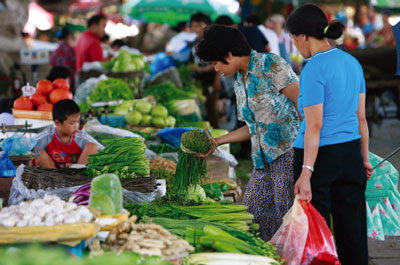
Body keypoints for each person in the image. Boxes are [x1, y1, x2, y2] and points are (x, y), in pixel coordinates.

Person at [286, 4, 373, 265]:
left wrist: (306, 171)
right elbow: (361, 118)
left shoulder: (313, 68)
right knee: (353, 230)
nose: (294, 45)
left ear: (302, 37)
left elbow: (314, 125)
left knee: (317, 233)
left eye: (292, 39)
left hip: (319, 159)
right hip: (350, 154)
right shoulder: (352, 62)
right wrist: (364, 158)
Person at [196, 24, 301, 241]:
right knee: (254, 217)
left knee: (288, 221)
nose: (215, 68)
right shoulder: (238, 81)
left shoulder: (271, 64)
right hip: (261, 162)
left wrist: (310, 159)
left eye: (216, 62)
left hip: (288, 157)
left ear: (229, 54)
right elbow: (252, 127)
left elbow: (305, 107)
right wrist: (217, 141)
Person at [34, 99, 103, 168]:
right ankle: (57, 179)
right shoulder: (47, 137)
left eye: (78, 122)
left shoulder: (82, 137)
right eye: (71, 123)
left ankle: (77, 177)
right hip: (54, 175)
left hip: (77, 174)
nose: (76, 126)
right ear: (58, 123)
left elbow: (103, 150)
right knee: (39, 154)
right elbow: (26, 145)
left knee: (92, 146)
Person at [190, 12, 220, 128]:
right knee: (202, 110)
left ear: (207, 25)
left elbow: (219, 61)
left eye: (200, 25)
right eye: (194, 26)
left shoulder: (212, 41)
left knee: (212, 109)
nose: (197, 29)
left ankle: (217, 138)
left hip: (211, 80)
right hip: (198, 81)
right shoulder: (195, 41)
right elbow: (191, 59)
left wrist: (217, 80)